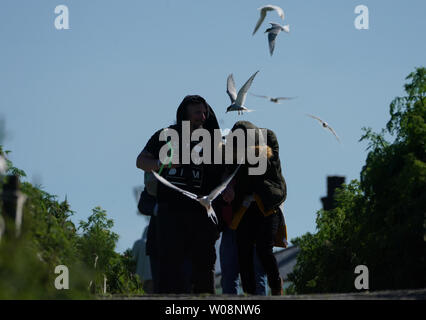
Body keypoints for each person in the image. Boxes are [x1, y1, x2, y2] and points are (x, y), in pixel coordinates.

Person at [136, 95, 223, 294]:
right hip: (170, 211)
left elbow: (221, 171)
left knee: (203, 269)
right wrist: (161, 164)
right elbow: (140, 161)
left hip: (200, 212)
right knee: (170, 268)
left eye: (204, 112)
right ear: (185, 115)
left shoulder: (210, 141)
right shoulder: (166, 135)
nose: (202, 117)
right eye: (197, 113)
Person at [222, 121, 288, 295]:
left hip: (267, 206)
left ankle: (276, 284)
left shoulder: (268, 138)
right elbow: (229, 169)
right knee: (243, 254)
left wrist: (239, 163)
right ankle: (251, 297)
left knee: (263, 250)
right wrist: (229, 184)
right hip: (245, 209)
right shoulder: (232, 151)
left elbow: (265, 164)